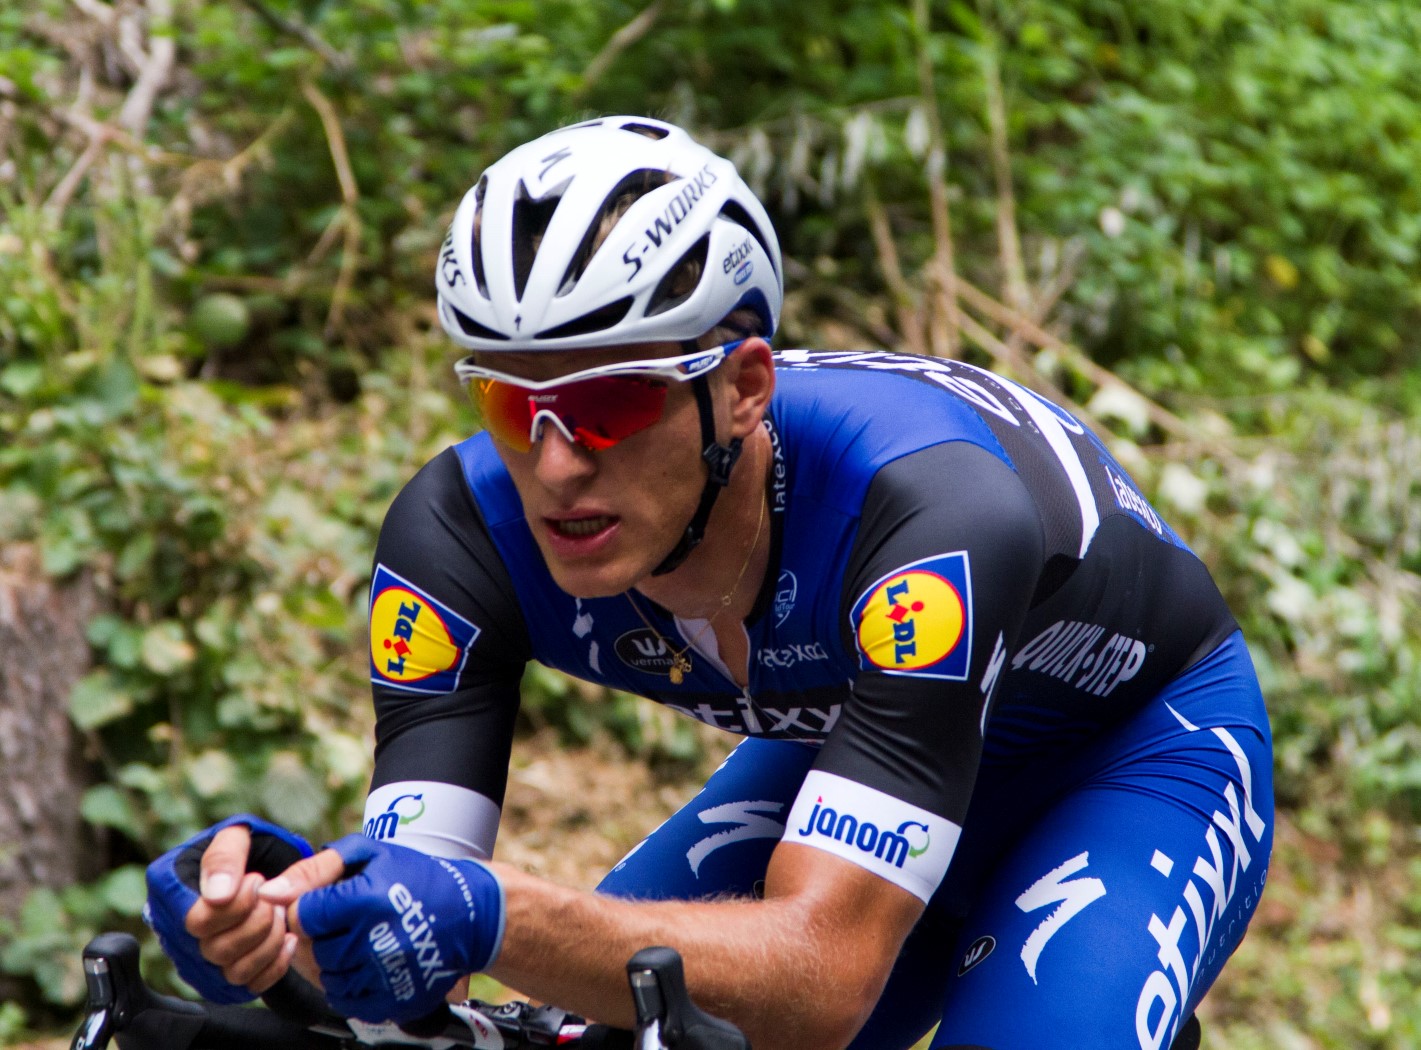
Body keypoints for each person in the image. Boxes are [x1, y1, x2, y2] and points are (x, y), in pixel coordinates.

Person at [144, 116, 1274, 1050]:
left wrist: (498, 914)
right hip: (865, 741)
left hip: (1127, 753)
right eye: (511, 405)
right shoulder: (459, 538)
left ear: (741, 390)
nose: (555, 466)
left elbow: (821, 980)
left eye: (608, 404)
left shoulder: (925, 513)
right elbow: (418, 939)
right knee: (620, 1028)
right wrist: (290, 927)